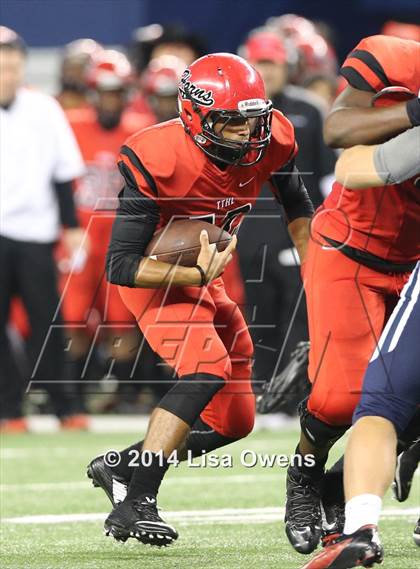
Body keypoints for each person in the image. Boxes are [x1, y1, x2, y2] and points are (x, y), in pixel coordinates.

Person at [86, 52, 314, 546]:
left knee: (236, 420)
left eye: (252, 121)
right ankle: (137, 501)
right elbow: (120, 265)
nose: (246, 134)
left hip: (203, 276)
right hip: (157, 278)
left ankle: (122, 465)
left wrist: (317, 271)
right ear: (196, 115)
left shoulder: (272, 136)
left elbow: (297, 202)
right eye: (231, 123)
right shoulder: (158, 156)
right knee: (205, 367)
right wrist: (188, 269)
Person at [283, 34, 420, 556]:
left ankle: (343, 486)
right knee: (342, 398)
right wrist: (415, 111)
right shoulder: (396, 57)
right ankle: (303, 476)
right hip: (352, 248)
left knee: (401, 393)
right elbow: (339, 130)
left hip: (414, 262)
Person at [0, 26, 87, 431]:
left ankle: (65, 406)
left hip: (36, 233)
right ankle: (9, 410)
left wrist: (71, 229)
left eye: (13, 67)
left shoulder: (44, 110)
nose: (7, 75)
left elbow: (62, 173)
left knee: (47, 322)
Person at [60, 49, 154, 412]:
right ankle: (75, 393)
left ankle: (125, 392)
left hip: (121, 235)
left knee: (121, 318)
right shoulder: (70, 123)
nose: (109, 100)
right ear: (92, 92)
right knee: (72, 316)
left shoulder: (141, 131)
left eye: (116, 92)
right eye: (103, 91)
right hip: (79, 236)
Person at [57, 38, 103, 110]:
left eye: (79, 69)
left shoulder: (102, 110)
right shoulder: (51, 106)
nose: (72, 74)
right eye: (70, 68)